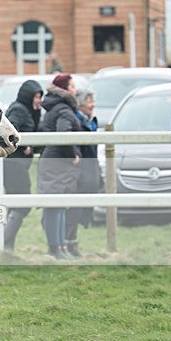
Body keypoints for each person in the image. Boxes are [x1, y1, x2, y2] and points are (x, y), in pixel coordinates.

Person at [36, 73, 81, 260]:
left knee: (60, 206)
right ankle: (56, 248)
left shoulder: (58, 107)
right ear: (64, 90)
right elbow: (64, 135)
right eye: (72, 86)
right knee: (55, 207)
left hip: (55, 161)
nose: (75, 90)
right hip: (58, 163)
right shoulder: (63, 110)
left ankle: (60, 246)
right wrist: (73, 155)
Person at [2, 79, 43, 251]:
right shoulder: (19, 110)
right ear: (28, 97)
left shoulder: (27, 110)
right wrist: (25, 145)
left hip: (16, 165)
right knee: (22, 206)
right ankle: (2, 242)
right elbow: (10, 132)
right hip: (14, 165)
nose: (40, 100)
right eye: (36, 96)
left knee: (15, 206)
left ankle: (7, 246)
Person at [64, 89, 101, 257]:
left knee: (79, 210)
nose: (93, 105)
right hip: (80, 174)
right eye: (89, 101)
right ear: (80, 103)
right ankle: (67, 243)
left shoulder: (89, 121)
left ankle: (72, 243)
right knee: (74, 210)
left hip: (89, 172)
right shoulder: (78, 122)